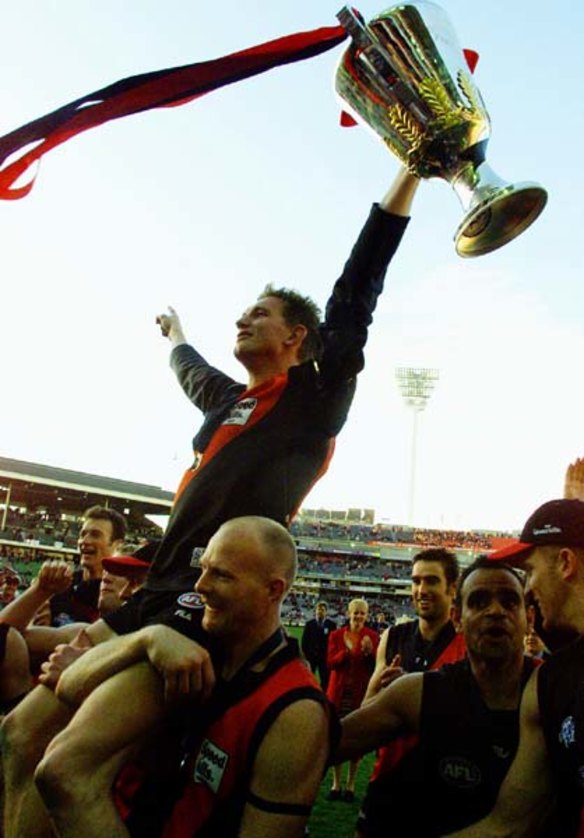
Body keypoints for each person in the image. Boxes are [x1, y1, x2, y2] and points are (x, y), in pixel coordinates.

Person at [0, 166, 419, 837]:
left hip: (198, 604)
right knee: (20, 735)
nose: (243, 318)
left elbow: (356, 292)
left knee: (67, 770)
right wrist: (175, 335)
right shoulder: (233, 402)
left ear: (296, 338)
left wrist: (408, 176)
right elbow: (193, 374)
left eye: (260, 313)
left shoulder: (312, 401)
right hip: (154, 593)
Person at [33, 517, 330, 837]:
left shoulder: (294, 709)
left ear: (273, 590)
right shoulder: (186, 646)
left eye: (221, 575)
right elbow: (69, 685)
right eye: (203, 569)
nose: (200, 585)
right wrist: (147, 639)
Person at [337, 558, 537, 837]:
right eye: (479, 602)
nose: (495, 611)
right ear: (457, 619)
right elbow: (332, 743)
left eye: (509, 601)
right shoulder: (421, 692)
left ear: (530, 618)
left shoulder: (554, 692)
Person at [447, 498, 584, 837]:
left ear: (566, 563)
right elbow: (509, 824)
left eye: (530, 570)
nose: (528, 588)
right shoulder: (552, 681)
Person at [357, 547, 466, 830]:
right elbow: (367, 708)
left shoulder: (467, 645)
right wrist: (385, 691)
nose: (421, 589)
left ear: (452, 588)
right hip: (388, 777)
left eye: (431, 581)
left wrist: (408, 693)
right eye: (416, 581)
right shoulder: (393, 637)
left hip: (444, 788)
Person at [326, 598, 378, 802]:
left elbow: (375, 667)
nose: (358, 616)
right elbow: (330, 663)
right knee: (337, 738)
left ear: (367, 615)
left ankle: (350, 785)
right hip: (338, 695)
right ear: (348, 613)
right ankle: (336, 783)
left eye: (362, 613)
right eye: (355, 612)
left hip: (359, 695)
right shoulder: (336, 635)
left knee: (356, 739)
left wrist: (369, 653)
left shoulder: (372, 637)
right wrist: (345, 652)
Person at [49, 506, 126, 626]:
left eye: (95, 535)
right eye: (82, 534)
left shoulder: (121, 594)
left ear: (117, 545)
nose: (84, 541)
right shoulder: (61, 584)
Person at [301, 601, 336, 689]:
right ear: (315, 611)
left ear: (326, 612)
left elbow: (333, 642)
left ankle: (322, 694)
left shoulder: (331, 625)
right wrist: (306, 656)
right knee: (308, 677)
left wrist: (330, 655)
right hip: (311, 657)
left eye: (322, 610)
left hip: (324, 657)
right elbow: (304, 641)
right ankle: (309, 692)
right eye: (319, 609)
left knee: (325, 679)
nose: (320, 611)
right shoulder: (309, 624)